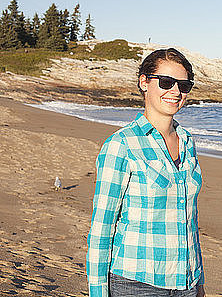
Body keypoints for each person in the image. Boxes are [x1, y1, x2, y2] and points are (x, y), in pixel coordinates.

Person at [86, 48, 206, 297]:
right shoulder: (121, 145)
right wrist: (97, 292)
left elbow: (189, 220)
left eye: (184, 85)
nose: (175, 92)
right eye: (166, 82)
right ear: (144, 82)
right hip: (136, 284)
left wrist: (199, 281)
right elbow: (102, 227)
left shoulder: (187, 141)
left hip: (187, 283)